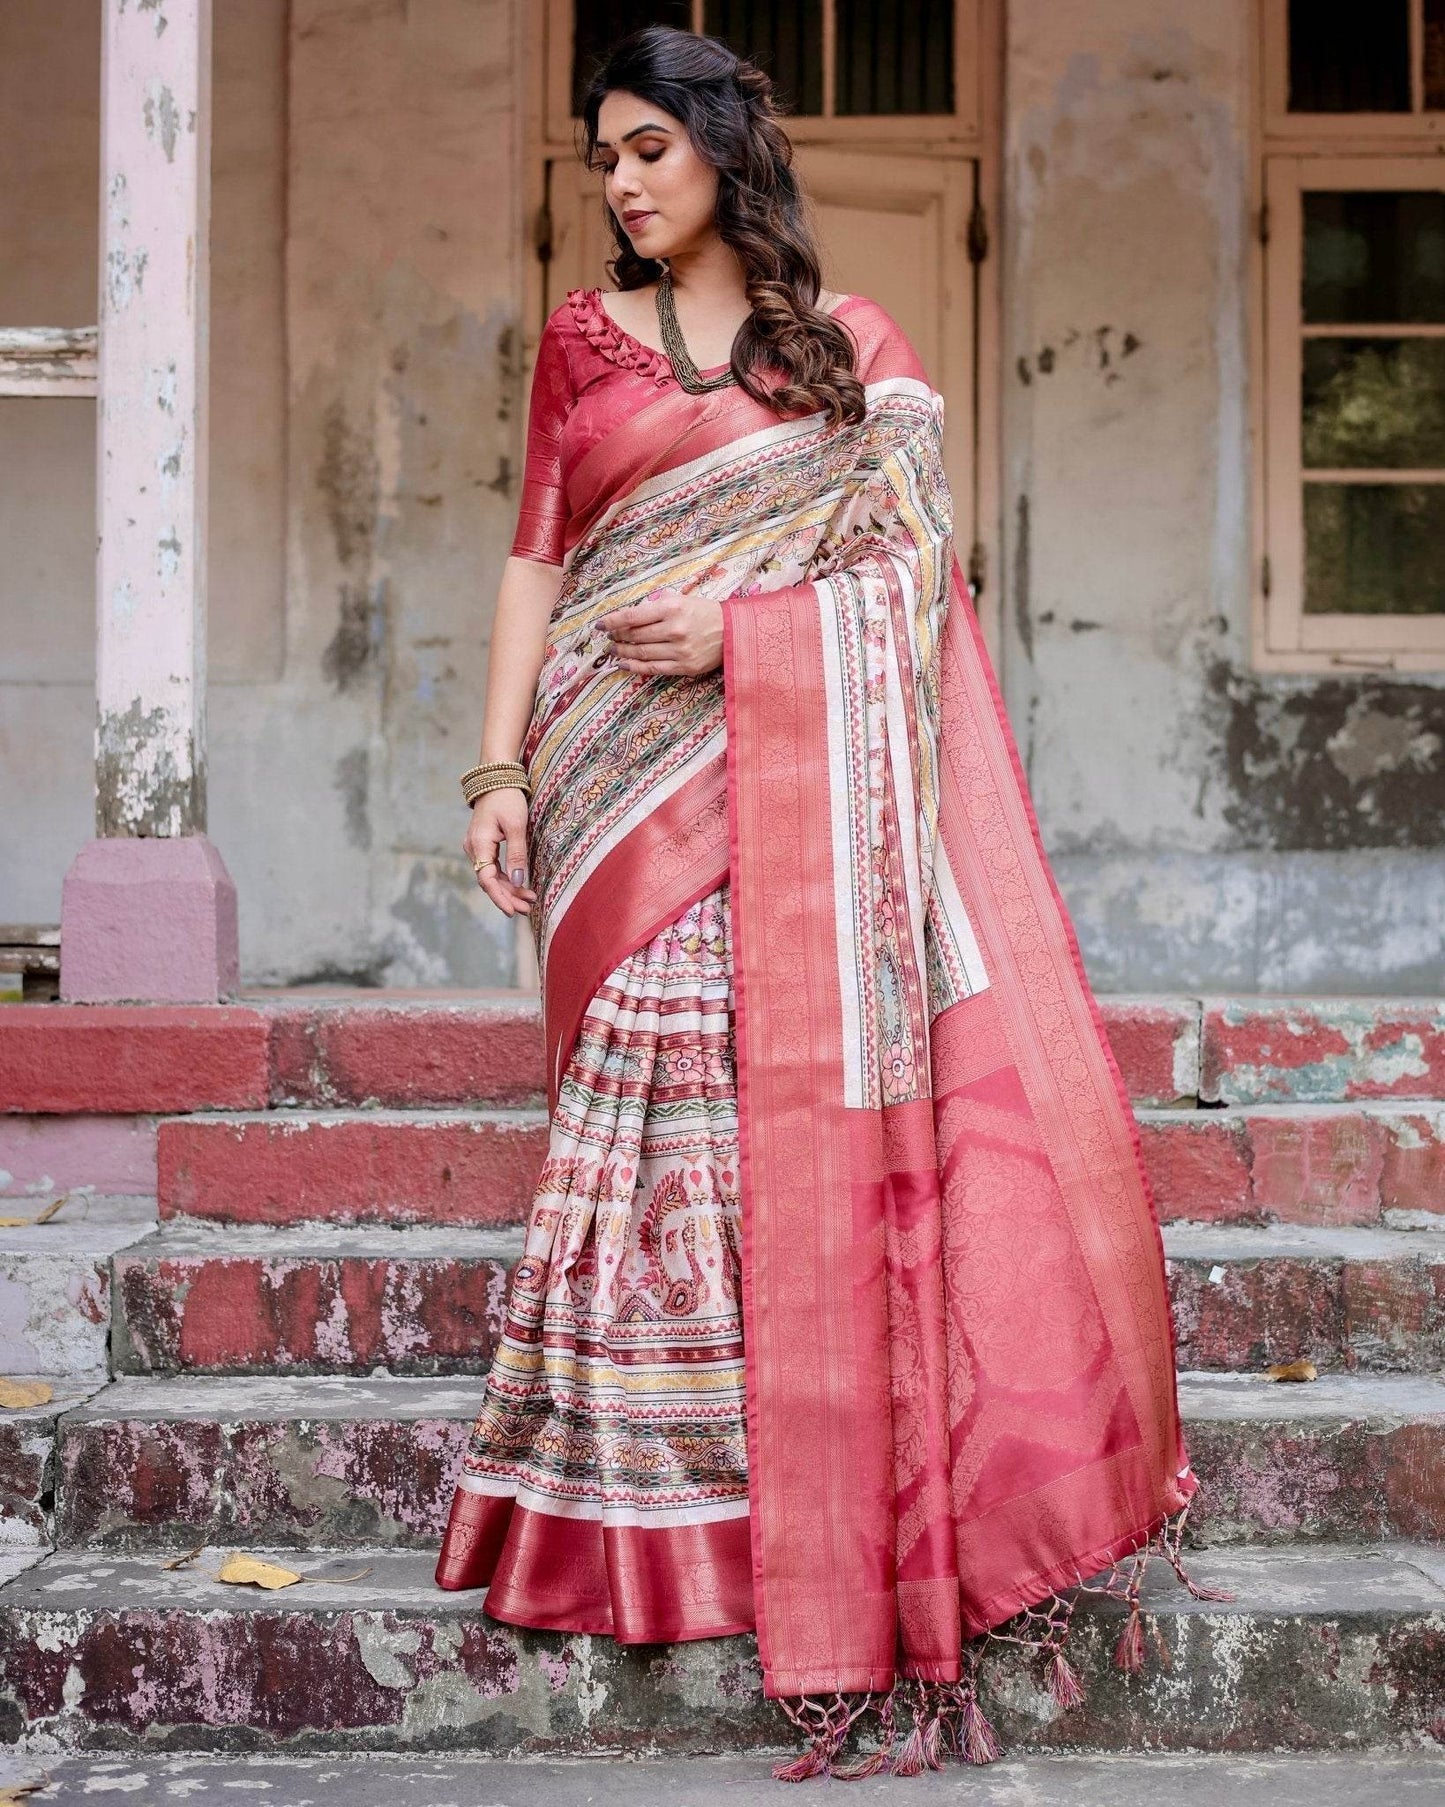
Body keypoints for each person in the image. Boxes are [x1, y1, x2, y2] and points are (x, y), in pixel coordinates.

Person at [436, 23, 1217, 1780]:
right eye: (604, 161)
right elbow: (536, 556)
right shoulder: (581, 345)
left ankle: (765, 1501)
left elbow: (909, 582)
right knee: (633, 1110)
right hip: (602, 770)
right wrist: (493, 773)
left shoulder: (851, 350)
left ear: (721, 146)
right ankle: (630, 1509)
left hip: (777, 772)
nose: (625, 187)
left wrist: (740, 637)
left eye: (650, 149)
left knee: (743, 1110)